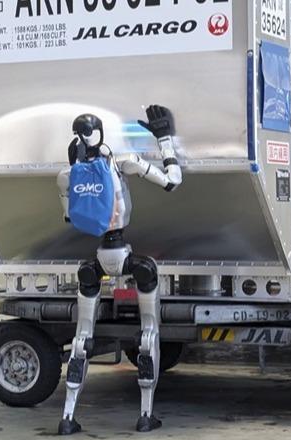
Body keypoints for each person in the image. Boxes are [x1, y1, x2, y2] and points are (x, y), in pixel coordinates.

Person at [56, 106, 182, 435]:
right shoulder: (122, 161)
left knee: (82, 338)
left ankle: (68, 418)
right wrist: (165, 139)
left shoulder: (67, 174)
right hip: (126, 256)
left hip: (95, 260)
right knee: (148, 332)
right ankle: (145, 415)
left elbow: (70, 217)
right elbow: (172, 182)